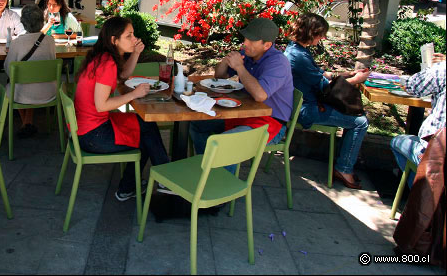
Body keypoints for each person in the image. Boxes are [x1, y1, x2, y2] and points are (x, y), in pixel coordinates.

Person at [74, 16, 170, 201]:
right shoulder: (107, 62)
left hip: (87, 128)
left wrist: (135, 54)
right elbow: (102, 105)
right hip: (93, 136)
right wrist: (134, 95)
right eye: (129, 36)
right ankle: (162, 179)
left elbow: (123, 75)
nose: (134, 39)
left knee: (145, 125)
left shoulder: (104, 56)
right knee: (144, 137)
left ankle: (138, 184)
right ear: (114, 40)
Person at [189, 18, 294, 175]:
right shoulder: (249, 54)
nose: (245, 42)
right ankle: (208, 169)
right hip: (245, 113)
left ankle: (220, 191)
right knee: (198, 125)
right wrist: (226, 61)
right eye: (245, 38)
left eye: (251, 40)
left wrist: (239, 67)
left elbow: (260, 95)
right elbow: (220, 76)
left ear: (267, 45)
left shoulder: (278, 62)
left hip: (270, 122)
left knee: (225, 142)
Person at [283, 13, 369, 189]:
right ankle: (344, 168)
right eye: (320, 34)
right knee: (360, 122)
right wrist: (355, 80)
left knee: (354, 116)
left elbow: (317, 74)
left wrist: (340, 75)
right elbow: (325, 87)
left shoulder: (295, 50)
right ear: (311, 32)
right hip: (306, 110)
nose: (322, 38)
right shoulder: (299, 56)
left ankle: (344, 164)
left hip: (303, 104)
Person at [390, 53, 445, 188]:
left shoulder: (442, 69)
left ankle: (420, 196)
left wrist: (431, 66)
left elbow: (412, 86)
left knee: (396, 142)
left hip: (435, 153)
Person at [4, 4, 56, 138]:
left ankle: (26, 124)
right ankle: (27, 123)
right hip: (49, 91)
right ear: (42, 21)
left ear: (23, 23)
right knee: (30, 82)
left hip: (23, 94)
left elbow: (8, 69)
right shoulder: (50, 41)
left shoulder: (17, 43)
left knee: (18, 83)